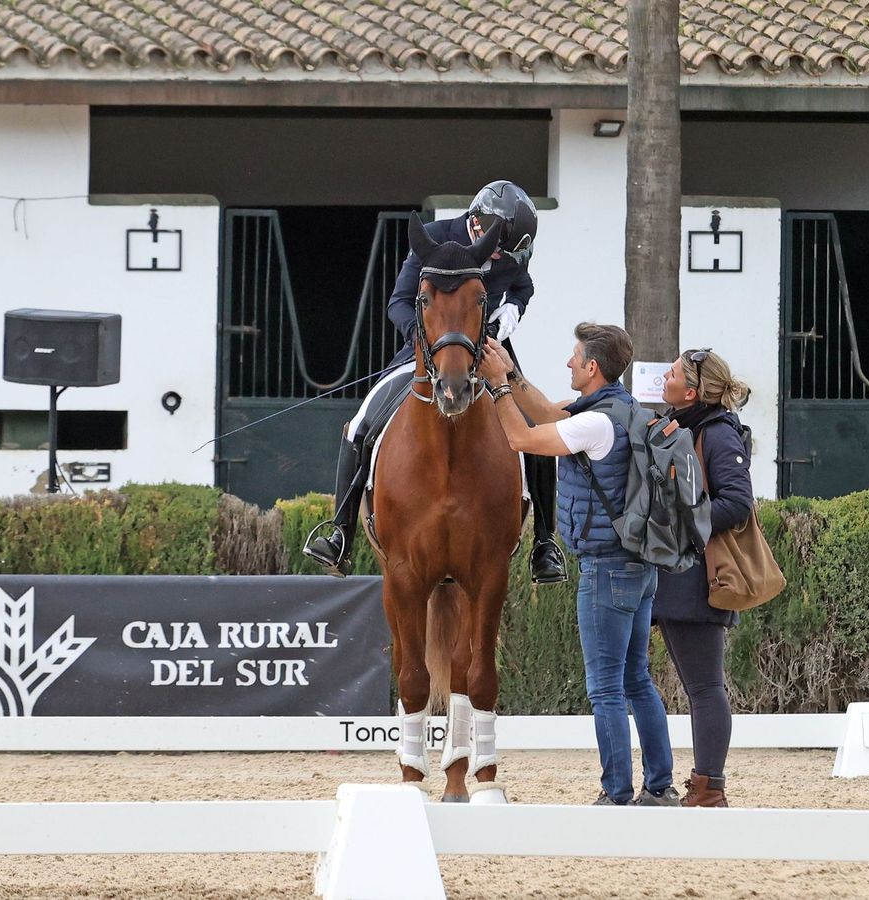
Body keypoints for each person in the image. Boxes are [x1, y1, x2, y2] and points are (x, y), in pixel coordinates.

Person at [303, 180, 566, 584]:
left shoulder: (510, 249)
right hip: (428, 351)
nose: (499, 257)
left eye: (505, 252)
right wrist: (422, 342)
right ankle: (340, 531)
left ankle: (544, 543)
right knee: (360, 424)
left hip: (490, 352)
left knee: (535, 431)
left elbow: (521, 285)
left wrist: (513, 310)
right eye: (496, 248)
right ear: (477, 222)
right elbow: (399, 301)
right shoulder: (437, 238)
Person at [474, 324, 679, 807]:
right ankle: (659, 785)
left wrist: (499, 387)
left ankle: (616, 793)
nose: (567, 363)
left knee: (605, 688)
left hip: (606, 568)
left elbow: (523, 437)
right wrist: (510, 372)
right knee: (637, 681)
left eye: (573, 357)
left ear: (592, 367)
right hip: (638, 565)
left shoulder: (594, 424)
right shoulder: (621, 409)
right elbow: (547, 412)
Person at [652, 348, 753, 808]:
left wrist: (681, 518)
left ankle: (710, 787)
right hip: (680, 572)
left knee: (706, 687)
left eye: (672, 372)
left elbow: (737, 503)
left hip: (698, 576)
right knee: (700, 687)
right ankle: (705, 783)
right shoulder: (686, 426)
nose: (665, 376)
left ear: (692, 391)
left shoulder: (717, 434)